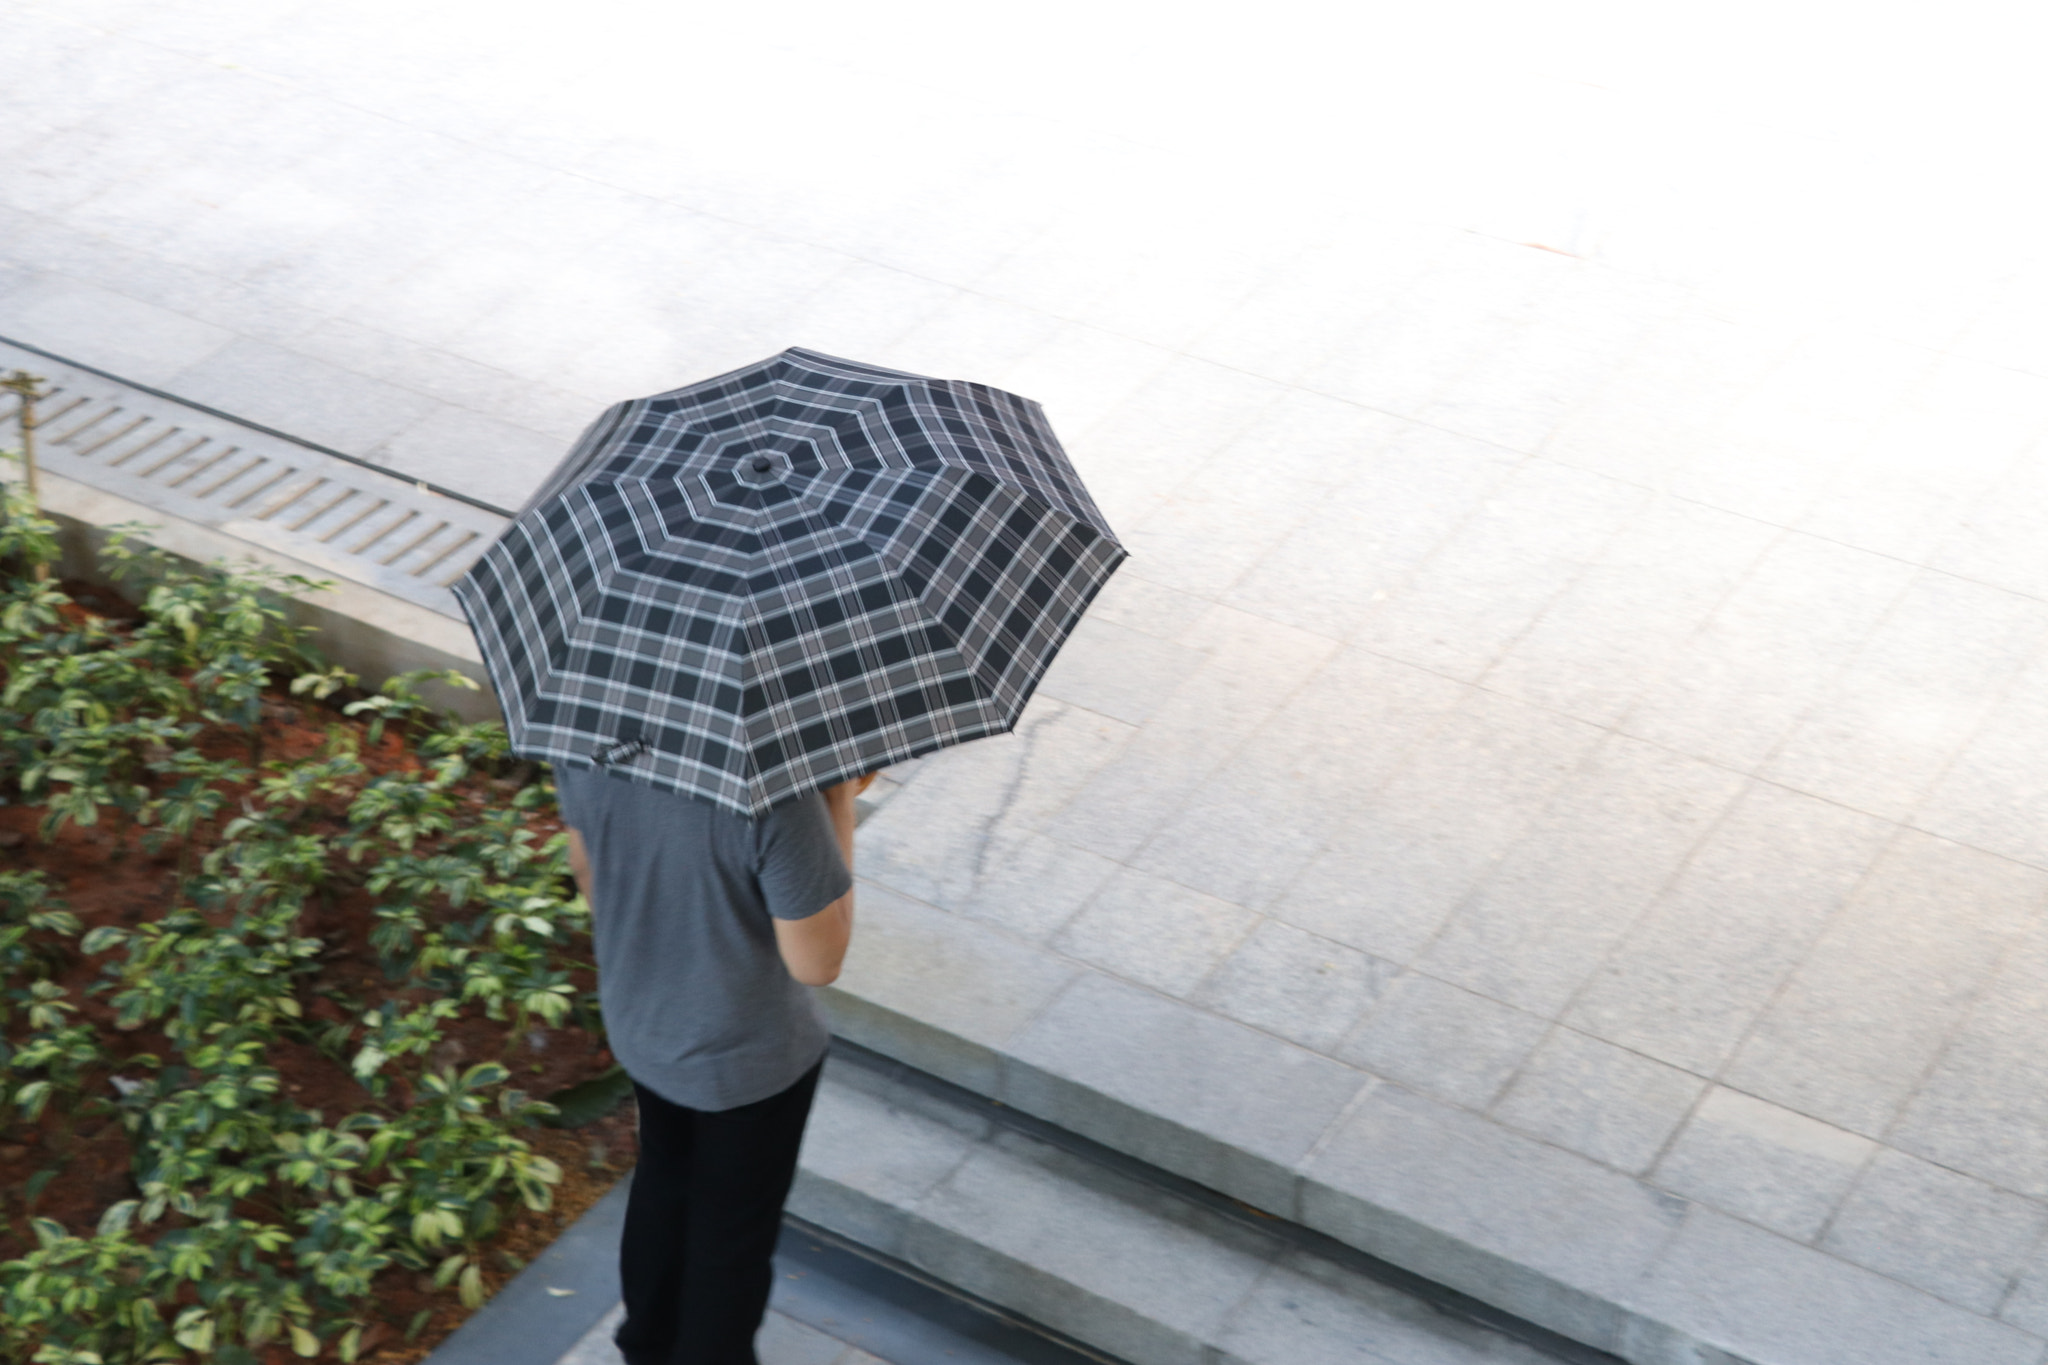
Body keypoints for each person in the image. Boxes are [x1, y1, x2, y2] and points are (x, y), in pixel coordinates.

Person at [558, 765, 876, 1365]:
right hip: (749, 1058)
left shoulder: (590, 740)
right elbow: (819, 959)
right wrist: (834, 802)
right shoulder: (777, 794)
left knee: (662, 1184)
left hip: (643, 1022)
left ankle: (646, 1346)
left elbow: (586, 870)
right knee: (729, 1238)